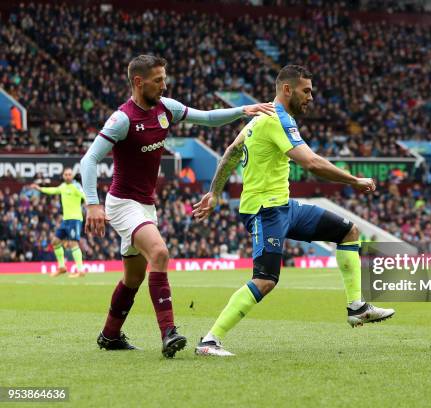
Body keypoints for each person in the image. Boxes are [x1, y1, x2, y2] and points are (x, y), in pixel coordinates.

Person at [80, 55, 275, 358]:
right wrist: (92, 204)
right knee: (159, 253)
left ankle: (110, 335)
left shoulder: (165, 108)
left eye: (164, 78)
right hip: (122, 204)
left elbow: (207, 118)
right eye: (158, 80)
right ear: (138, 82)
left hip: (146, 206)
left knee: (133, 278)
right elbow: (89, 159)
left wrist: (242, 111)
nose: (164, 84)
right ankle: (169, 332)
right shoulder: (122, 119)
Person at [192, 65, 395, 356]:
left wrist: (214, 192)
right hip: (264, 211)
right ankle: (209, 341)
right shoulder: (276, 118)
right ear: (287, 89)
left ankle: (357, 307)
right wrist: (353, 180)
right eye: (306, 90)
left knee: (348, 231)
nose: (311, 97)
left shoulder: (261, 117)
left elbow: (232, 152)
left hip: (284, 207)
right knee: (265, 279)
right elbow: (311, 163)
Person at [31, 168, 86, 277]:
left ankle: (80, 271)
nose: (68, 176)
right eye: (66, 174)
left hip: (75, 219)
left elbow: (85, 196)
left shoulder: (76, 186)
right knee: (55, 241)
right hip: (65, 220)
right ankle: (62, 267)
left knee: (73, 243)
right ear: (63, 176)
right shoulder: (63, 186)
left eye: (70, 174)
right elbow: (53, 190)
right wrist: (39, 188)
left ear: (72, 176)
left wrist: (93, 207)